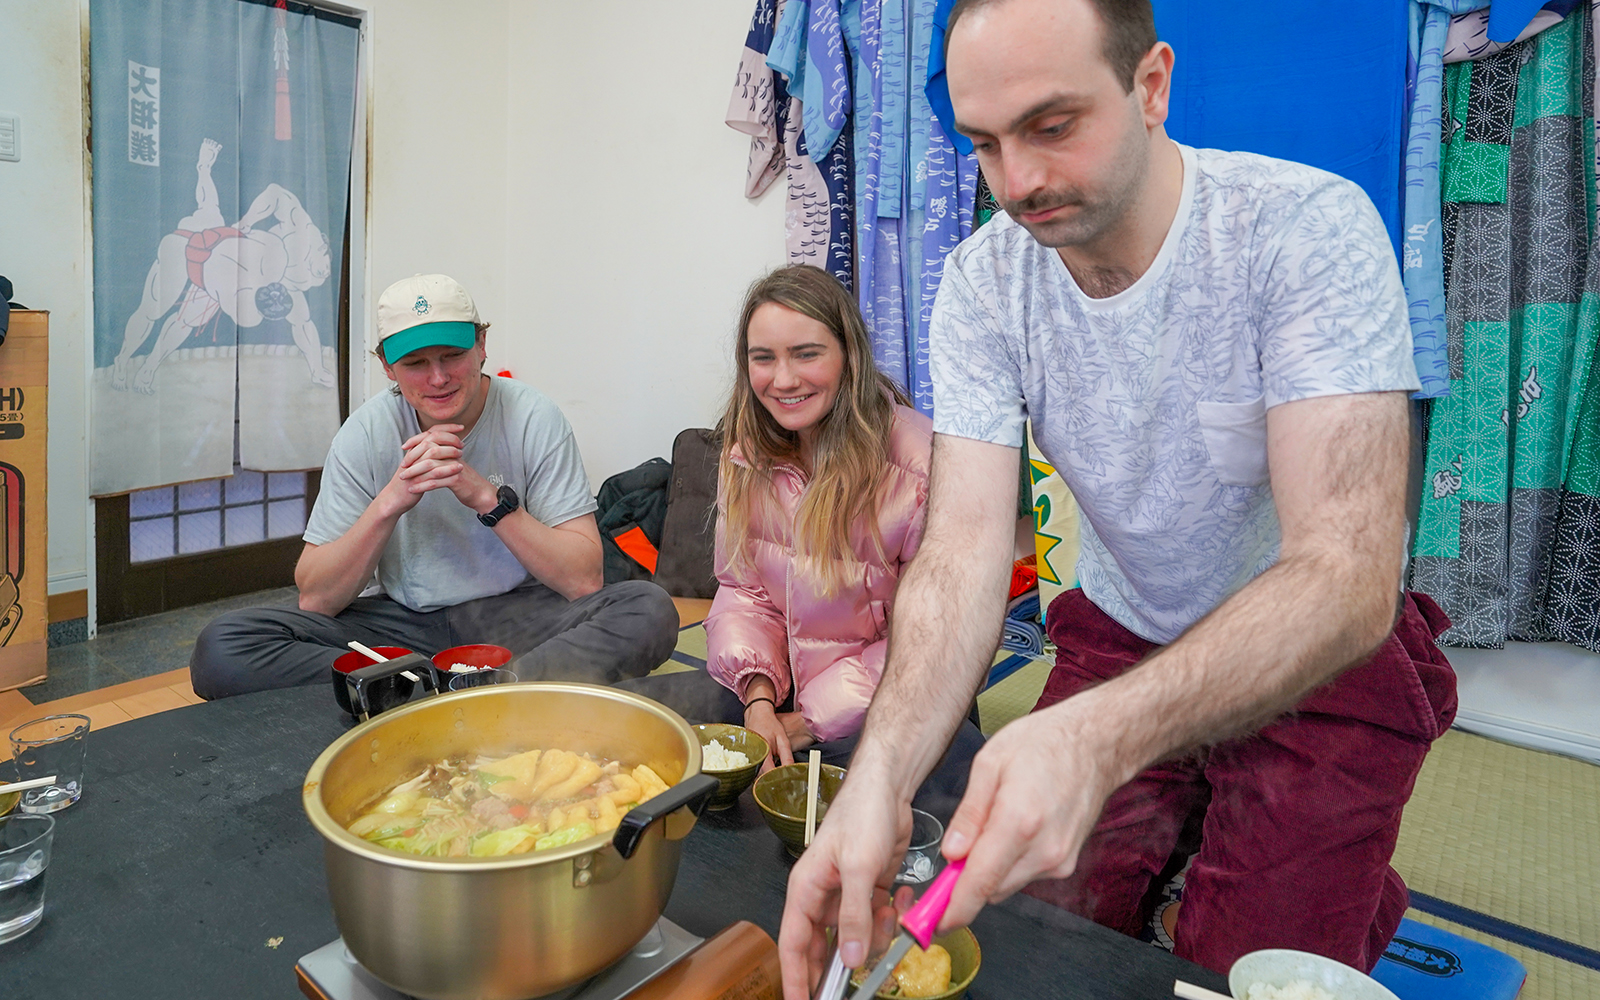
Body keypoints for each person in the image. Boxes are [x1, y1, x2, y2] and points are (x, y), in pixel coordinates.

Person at [778, 0, 1458, 993]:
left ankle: (1330, 876)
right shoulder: (981, 283)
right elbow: (962, 552)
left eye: (1051, 127)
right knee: (1038, 940)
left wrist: (1096, 738)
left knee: (1242, 966)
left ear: (1151, 85)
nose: (1017, 184)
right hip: (1122, 628)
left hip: (1319, 655)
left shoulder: (1302, 230)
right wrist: (877, 781)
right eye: (984, 144)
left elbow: (1345, 571)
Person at [189, 273, 679, 699]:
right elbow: (316, 600)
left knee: (647, 608)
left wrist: (486, 498)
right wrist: (391, 503)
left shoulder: (533, 417)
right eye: (416, 363)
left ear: (482, 344)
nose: (439, 378)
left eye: (453, 355)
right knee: (223, 647)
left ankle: (432, 694)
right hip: (402, 626)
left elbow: (583, 580)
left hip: (518, 619)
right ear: (387, 366)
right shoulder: (365, 433)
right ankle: (458, 692)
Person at [619, 265, 982, 822]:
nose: (782, 380)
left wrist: (805, 722)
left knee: (945, 796)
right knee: (643, 732)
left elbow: (933, 637)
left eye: (807, 353)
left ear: (849, 356)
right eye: (763, 358)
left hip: (890, 699)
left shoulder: (922, 462)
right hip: (782, 687)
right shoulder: (747, 448)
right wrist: (760, 698)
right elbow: (744, 589)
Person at [114, 138, 337, 394]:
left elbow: (303, 323)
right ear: (321, 247)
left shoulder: (290, 284)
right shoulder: (301, 230)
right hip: (197, 245)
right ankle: (123, 359)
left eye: (320, 275)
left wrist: (317, 368)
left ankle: (150, 367)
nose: (320, 275)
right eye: (322, 268)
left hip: (221, 278)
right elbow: (275, 194)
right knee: (152, 310)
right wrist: (248, 220)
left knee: (184, 322)